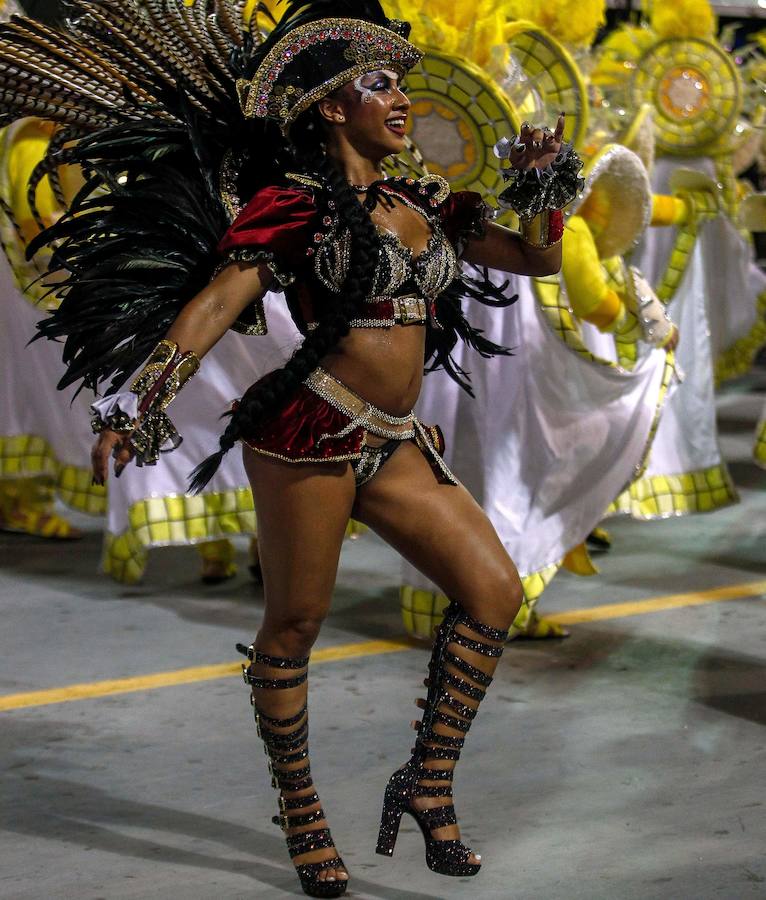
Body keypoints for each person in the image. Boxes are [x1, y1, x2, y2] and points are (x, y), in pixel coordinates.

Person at [2, 2, 580, 895]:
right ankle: (304, 814)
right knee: (295, 626)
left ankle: (425, 785)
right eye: (377, 84)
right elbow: (210, 309)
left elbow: (538, 260)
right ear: (328, 107)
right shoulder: (294, 207)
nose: (399, 99)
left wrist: (545, 186)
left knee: (495, 594)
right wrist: (135, 402)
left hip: (394, 440)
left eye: (400, 83)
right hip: (310, 433)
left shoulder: (426, 203)